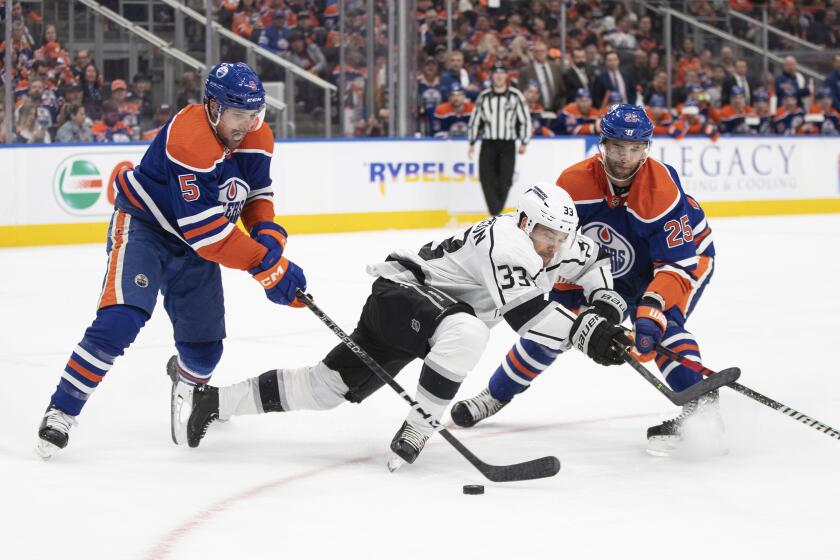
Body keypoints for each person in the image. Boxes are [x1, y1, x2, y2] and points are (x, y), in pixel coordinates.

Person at [177, 185, 630, 470]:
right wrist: (586, 332)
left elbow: (591, 261)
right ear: (527, 222)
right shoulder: (510, 242)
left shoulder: (556, 242)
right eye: (548, 235)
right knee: (471, 331)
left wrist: (605, 302)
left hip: (427, 318)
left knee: (324, 388)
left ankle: (212, 401)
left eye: (560, 237)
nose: (554, 247)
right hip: (402, 296)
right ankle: (420, 426)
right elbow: (528, 319)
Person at [35, 62, 307, 459]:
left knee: (205, 349)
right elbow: (206, 233)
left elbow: (256, 193)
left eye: (255, 114)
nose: (248, 124)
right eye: (238, 114)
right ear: (213, 107)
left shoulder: (257, 134)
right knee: (121, 318)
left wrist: (266, 235)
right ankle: (62, 408)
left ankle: (185, 381)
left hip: (199, 244)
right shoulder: (190, 135)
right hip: (147, 228)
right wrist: (266, 267)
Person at [452, 105, 723, 458]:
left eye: (635, 148)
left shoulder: (661, 188)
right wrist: (575, 305)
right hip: (605, 267)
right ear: (602, 144)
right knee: (557, 325)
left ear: (646, 148)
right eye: (617, 147)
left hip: (679, 262)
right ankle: (495, 394)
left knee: (659, 326)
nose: (625, 157)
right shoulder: (575, 182)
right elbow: (560, 245)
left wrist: (652, 303)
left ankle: (702, 413)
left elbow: (676, 264)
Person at [467, 61, 531, 216]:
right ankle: (495, 214)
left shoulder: (515, 96)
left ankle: (496, 213)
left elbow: (524, 119)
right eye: (496, 73)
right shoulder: (484, 96)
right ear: (492, 75)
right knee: (486, 179)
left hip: (507, 144)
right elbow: (476, 119)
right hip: (488, 143)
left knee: (505, 180)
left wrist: (524, 141)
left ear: (506, 76)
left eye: (502, 73)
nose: (499, 76)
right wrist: (472, 142)